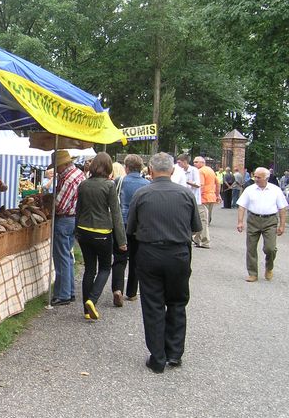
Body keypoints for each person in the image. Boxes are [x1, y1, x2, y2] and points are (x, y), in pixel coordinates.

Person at [127, 152, 202, 373]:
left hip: (150, 252)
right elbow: (195, 227)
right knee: (177, 302)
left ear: (150, 170)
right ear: (172, 170)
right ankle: (175, 353)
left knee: (153, 305)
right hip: (178, 253)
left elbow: (131, 228)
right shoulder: (185, 194)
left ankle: (158, 357)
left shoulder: (142, 194)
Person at [75, 152, 127, 320]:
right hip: (102, 232)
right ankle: (92, 300)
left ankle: (86, 310)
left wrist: (76, 231)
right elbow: (116, 214)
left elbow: (78, 209)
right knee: (105, 268)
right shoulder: (109, 186)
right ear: (108, 167)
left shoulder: (83, 184)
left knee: (89, 269)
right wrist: (122, 240)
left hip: (83, 230)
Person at [236, 167, 288, 282]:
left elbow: (282, 208)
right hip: (253, 220)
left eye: (259, 177)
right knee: (251, 248)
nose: (256, 179)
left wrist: (282, 225)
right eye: (255, 176)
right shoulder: (249, 189)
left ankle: (269, 267)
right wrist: (240, 222)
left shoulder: (275, 190)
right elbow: (241, 206)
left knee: (270, 248)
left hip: (270, 221)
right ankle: (252, 273)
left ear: (266, 178)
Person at [111, 154, 149, 305]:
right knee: (136, 259)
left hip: (121, 224)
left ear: (126, 168)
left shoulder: (119, 181)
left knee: (119, 258)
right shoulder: (147, 184)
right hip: (139, 226)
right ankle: (132, 292)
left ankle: (117, 289)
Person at [50, 150, 85, 307]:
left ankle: (63, 295)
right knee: (68, 256)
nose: (56, 170)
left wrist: (48, 203)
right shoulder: (78, 174)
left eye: (57, 166)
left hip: (64, 220)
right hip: (74, 218)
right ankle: (69, 291)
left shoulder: (68, 179)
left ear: (63, 165)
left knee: (62, 258)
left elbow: (59, 206)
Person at [178, 153, 208, 248]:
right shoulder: (180, 170)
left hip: (195, 199)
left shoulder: (194, 170)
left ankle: (204, 241)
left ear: (185, 162)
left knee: (201, 220)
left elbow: (198, 184)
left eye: (179, 162)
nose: (178, 164)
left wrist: (186, 181)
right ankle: (193, 239)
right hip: (184, 199)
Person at [194, 156, 221, 226]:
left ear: (202, 163)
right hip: (211, 196)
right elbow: (218, 183)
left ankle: (204, 228)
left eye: (196, 162)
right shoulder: (210, 170)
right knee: (208, 214)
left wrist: (197, 196)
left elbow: (201, 185)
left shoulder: (200, 171)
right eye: (194, 162)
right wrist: (217, 195)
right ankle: (207, 224)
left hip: (204, 196)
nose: (194, 164)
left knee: (203, 215)